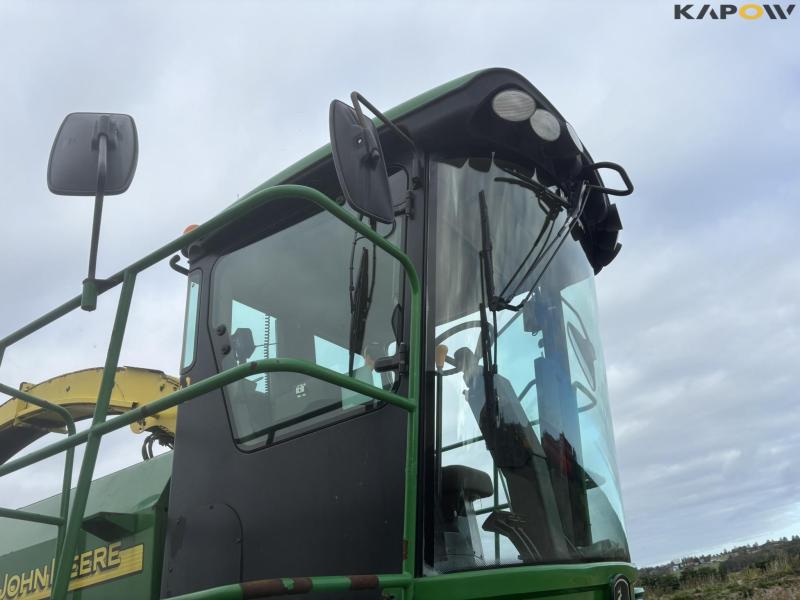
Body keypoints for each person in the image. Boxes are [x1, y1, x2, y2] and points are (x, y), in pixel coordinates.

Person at [452, 347, 570, 562]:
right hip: (511, 454)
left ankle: (549, 549)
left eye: (463, 366)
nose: (463, 373)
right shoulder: (482, 383)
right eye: (461, 368)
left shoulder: (488, 382)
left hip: (516, 453)